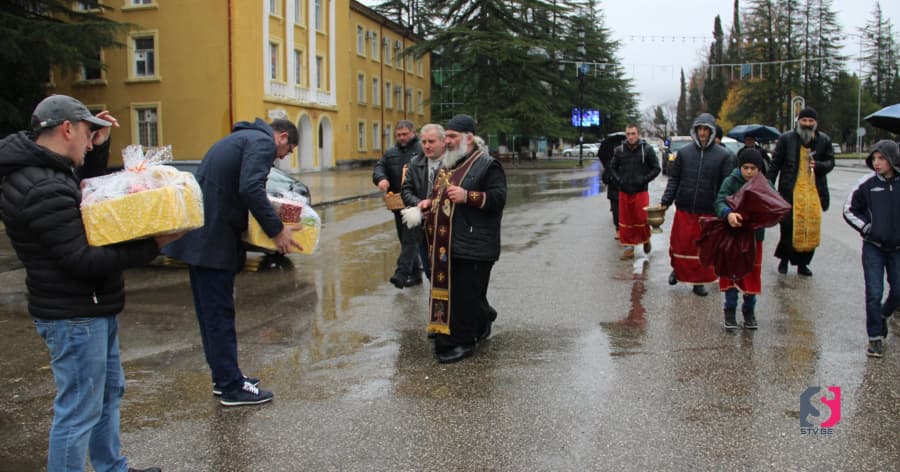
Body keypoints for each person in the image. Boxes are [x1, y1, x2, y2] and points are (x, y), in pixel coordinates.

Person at [0, 94, 172, 472]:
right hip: (75, 315)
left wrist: (96, 147)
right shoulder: (41, 186)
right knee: (78, 410)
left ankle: (112, 467)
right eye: (85, 132)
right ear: (66, 129)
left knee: (107, 395)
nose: (89, 138)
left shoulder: (46, 170)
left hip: (88, 307)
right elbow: (81, 258)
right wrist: (151, 246)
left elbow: (81, 189)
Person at [163, 118, 300, 406]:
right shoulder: (262, 142)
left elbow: (239, 188)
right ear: (283, 137)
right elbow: (250, 188)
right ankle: (231, 387)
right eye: (284, 153)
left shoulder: (242, 138)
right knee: (219, 316)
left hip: (202, 238)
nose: (280, 158)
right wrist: (277, 230)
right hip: (212, 242)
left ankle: (225, 377)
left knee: (212, 316)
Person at [422, 114, 506, 363]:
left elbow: (498, 199)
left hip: (475, 245)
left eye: (452, 136)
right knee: (459, 294)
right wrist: (429, 203)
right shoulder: (448, 164)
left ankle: (463, 342)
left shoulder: (488, 164)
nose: (446, 141)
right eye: (446, 136)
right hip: (446, 244)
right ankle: (478, 323)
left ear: (469, 138)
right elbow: (440, 196)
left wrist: (468, 196)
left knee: (465, 295)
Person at [660, 113, 734, 296]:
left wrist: (725, 209)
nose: (702, 132)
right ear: (695, 130)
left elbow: (727, 186)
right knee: (680, 244)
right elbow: (674, 180)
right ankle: (678, 270)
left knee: (702, 249)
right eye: (699, 129)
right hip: (685, 207)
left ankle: (699, 282)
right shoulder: (684, 153)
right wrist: (665, 202)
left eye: (706, 129)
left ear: (711, 131)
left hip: (708, 210)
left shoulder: (723, 156)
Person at [842, 140, 900, 358]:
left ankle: (884, 315)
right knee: (874, 293)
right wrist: (867, 228)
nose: (877, 163)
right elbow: (849, 210)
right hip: (874, 247)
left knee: (898, 291)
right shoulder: (866, 184)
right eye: (874, 158)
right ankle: (875, 337)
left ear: (892, 159)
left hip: (897, 248)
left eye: (882, 158)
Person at [766, 106, 835, 277]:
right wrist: (768, 185)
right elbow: (775, 164)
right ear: (798, 122)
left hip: (813, 192)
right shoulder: (786, 139)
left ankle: (803, 264)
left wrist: (819, 166)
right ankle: (784, 260)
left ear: (815, 123)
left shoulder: (823, 140)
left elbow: (831, 162)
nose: (807, 124)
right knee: (789, 227)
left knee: (810, 228)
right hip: (790, 191)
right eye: (804, 120)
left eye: (810, 121)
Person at [715, 148, 770, 330]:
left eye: (753, 168)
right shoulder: (731, 181)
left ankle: (749, 311)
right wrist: (728, 214)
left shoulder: (765, 183)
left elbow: (773, 203)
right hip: (733, 237)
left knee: (750, 274)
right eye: (745, 167)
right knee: (731, 274)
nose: (748, 171)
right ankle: (729, 311)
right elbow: (719, 201)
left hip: (754, 238)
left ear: (759, 169)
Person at [373, 120, 424, 288]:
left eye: (405, 134)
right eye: (399, 135)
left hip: (416, 203)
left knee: (410, 239)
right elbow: (379, 167)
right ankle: (416, 275)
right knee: (404, 240)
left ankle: (401, 274)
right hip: (397, 203)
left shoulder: (421, 150)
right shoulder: (391, 152)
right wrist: (381, 179)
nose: (401, 138)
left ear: (413, 132)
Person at [608, 124, 660, 259]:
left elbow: (656, 168)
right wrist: (619, 180)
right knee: (625, 220)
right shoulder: (619, 150)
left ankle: (645, 239)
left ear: (638, 134)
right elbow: (612, 168)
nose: (630, 137)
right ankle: (628, 248)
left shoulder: (647, 150)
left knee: (641, 218)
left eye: (633, 134)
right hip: (624, 191)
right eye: (628, 134)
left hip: (641, 191)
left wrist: (644, 179)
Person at [401, 123, 445, 280]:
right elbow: (406, 190)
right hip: (423, 228)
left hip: (446, 228)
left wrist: (433, 203)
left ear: (443, 141)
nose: (426, 146)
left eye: (431, 141)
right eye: (424, 142)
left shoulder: (453, 164)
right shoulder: (415, 163)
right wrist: (418, 203)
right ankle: (436, 303)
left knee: (446, 275)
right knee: (430, 273)